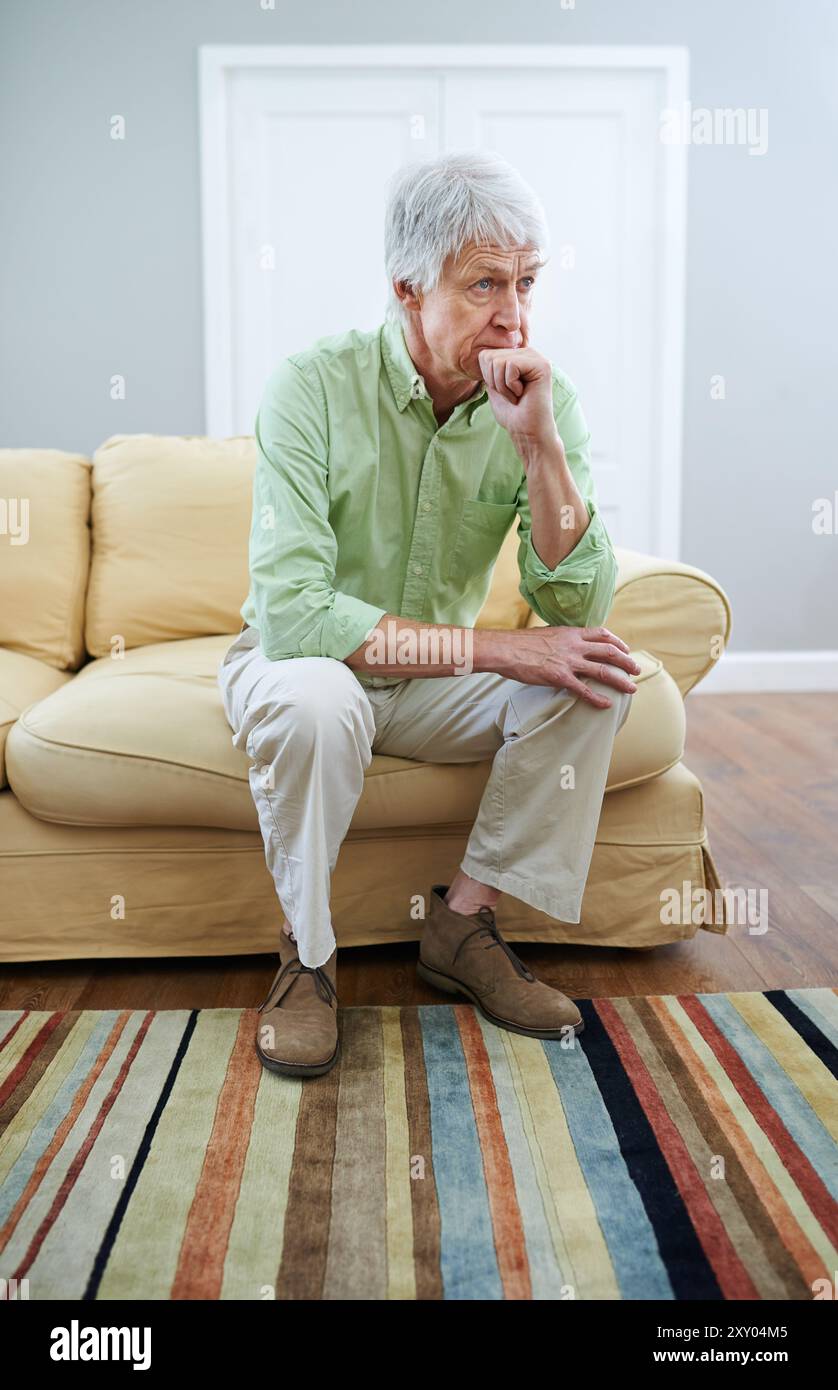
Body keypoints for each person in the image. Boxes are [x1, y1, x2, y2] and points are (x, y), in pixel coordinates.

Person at [217, 149, 639, 1079]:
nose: (514, 315)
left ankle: (462, 926)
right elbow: (294, 617)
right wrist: (496, 648)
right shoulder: (310, 387)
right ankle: (308, 959)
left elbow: (578, 602)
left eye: (526, 282)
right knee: (321, 700)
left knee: (596, 674)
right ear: (409, 288)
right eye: (485, 283)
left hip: (429, 681)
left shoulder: (538, 398)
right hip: (306, 667)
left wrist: (541, 451)